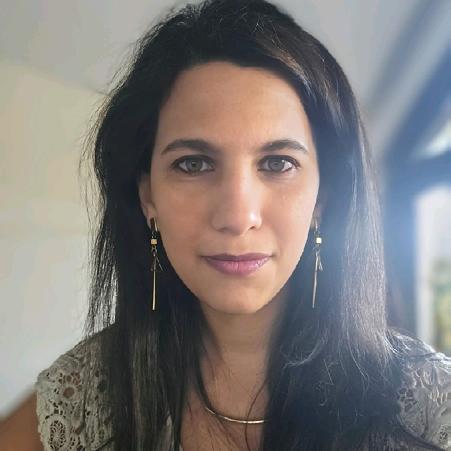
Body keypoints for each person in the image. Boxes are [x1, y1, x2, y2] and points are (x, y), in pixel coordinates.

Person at [0, 0, 450, 449]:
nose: (237, 217)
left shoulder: (430, 411)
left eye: (278, 163)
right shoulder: (75, 406)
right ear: (148, 197)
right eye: (193, 164)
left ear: (322, 198)